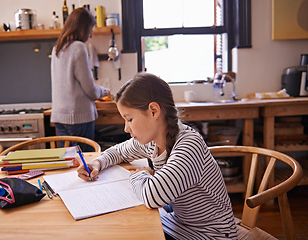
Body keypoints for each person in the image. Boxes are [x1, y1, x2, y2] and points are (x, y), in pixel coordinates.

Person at [77, 73, 238, 239]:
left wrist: (140, 174)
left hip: (211, 235)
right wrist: (97, 163)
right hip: (181, 224)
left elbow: (153, 196)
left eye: (129, 119)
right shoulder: (153, 141)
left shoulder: (189, 145)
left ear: (153, 111)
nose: (126, 128)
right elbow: (118, 151)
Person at [51, 7, 109, 151]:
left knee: (67, 162)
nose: (90, 35)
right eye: (90, 30)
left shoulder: (58, 47)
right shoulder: (78, 47)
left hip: (60, 116)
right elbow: (90, 89)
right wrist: (104, 91)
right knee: (85, 162)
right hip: (78, 117)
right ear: (83, 28)